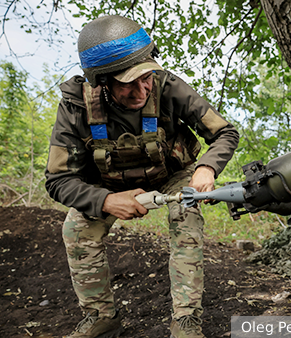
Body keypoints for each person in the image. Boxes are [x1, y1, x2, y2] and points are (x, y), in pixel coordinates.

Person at [45, 15, 239, 338]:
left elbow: (225, 133)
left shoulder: (169, 87)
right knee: (77, 228)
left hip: (171, 175)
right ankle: (101, 316)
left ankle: (186, 321)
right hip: (109, 185)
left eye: (146, 77)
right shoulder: (76, 108)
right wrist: (105, 200)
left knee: (186, 215)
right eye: (128, 82)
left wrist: (207, 167)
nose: (142, 89)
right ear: (102, 82)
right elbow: (56, 179)